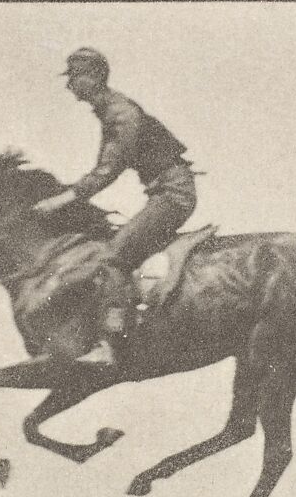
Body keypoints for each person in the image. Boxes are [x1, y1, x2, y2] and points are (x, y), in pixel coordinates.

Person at [33, 48, 197, 366]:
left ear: (93, 78)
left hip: (173, 195)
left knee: (114, 255)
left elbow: (108, 170)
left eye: (74, 78)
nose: (70, 87)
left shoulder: (121, 114)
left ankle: (109, 345)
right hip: (165, 192)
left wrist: (63, 199)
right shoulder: (110, 111)